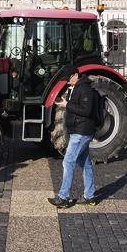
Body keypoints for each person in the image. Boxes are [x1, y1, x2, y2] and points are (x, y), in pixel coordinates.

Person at [48, 71, 101, 208]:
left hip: (81, 132)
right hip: (80, 131)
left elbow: (86, 111)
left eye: (68, 78)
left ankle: (63, 197)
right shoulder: (79, 87)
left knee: (68, 162)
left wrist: (67, 105)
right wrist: (66, 104)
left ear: (75, 75)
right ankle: (90, 196)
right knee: (85, 163)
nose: (67, 81)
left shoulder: (84, 89)